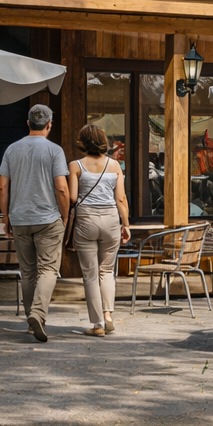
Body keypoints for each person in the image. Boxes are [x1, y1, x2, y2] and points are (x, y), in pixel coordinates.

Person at [0, 103, 69, 342]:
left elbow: (2, 186)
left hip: (19, 219)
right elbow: (61, 187)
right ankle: (38, 314)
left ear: (28, 123)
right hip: (48, 219)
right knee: (48, 269)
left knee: (27, 272)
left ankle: (31, 320)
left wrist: (6, 216)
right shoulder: (55, 151)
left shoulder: (11, 149)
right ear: (49, 125)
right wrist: (65, 214)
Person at [68, 124, 130, 336]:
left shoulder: (75, 166)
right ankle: (108, 315)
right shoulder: (115, 166)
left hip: (86, 220)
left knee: (91, 274)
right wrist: (126, 224)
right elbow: (121, 198)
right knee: (107, 271)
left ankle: (97, 325)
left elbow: (73, 198)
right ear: (103, 140)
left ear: (83, 142)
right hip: (111, 220)